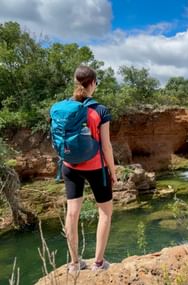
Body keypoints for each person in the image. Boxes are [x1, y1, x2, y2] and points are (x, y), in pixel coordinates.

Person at [62, 65, 116, 273]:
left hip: (70, 166)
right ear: (93, 83)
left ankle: (75, 264)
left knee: (72, 213)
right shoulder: (100, 110)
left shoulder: (64, 107)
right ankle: (99, 263)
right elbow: (106, 146)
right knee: (105, 213)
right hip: (96, 167)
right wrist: (113, 170)